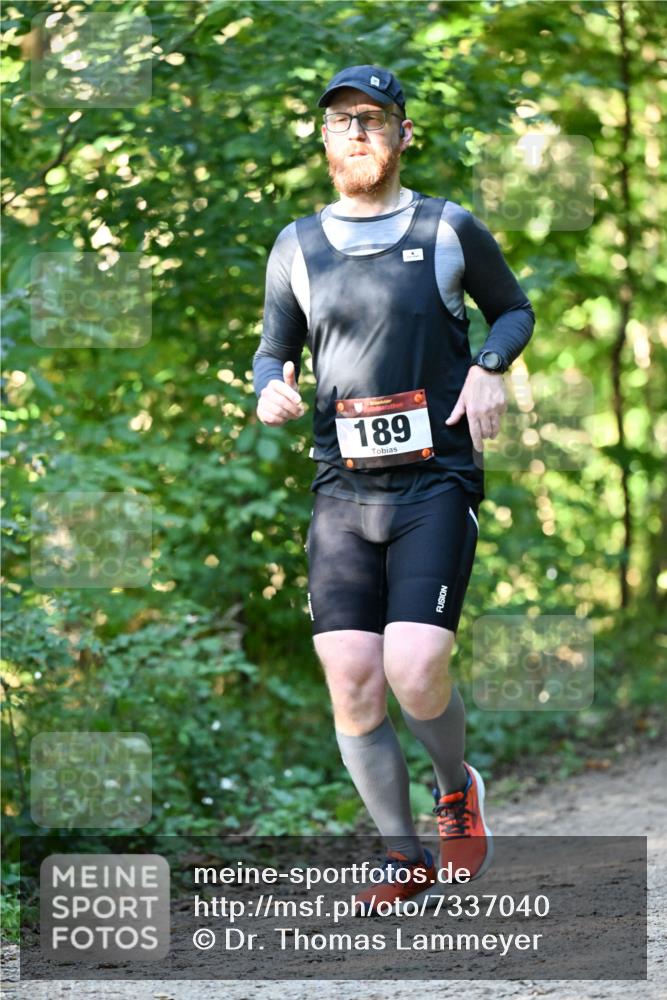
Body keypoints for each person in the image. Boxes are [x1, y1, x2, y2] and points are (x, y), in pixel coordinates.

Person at [253, 65, 535, 914]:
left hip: (434, 483)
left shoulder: (447, 228)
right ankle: (401, 853)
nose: (356, 133)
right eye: (340, 121)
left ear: (403, 133)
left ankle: (455, 787)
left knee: (414, 668)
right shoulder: (296, 246)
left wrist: (489, 368)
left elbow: (512, 310)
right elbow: (276, 349)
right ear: (323, 138)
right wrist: (270, 386)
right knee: (351, 675)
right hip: (341, 491)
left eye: (372, 119)